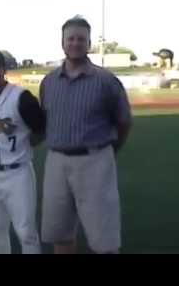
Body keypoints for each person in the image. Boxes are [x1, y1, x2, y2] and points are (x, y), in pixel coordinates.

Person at [39, 15, 133, 254]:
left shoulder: (106, 81)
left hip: (95, 161)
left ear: (89, 43)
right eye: (70, 38)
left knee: (104, 239)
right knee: (59, 233)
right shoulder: (49, 82)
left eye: (81, 39)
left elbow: (123, 122)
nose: (75, 43)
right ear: (62, 42)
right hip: (57, 161)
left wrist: (108, 151)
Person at [0, 49, 45, 254]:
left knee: (26, 231)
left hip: (18, 173)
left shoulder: (22, 97)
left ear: (3, 69)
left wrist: (25, 145)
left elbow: (40, 128)